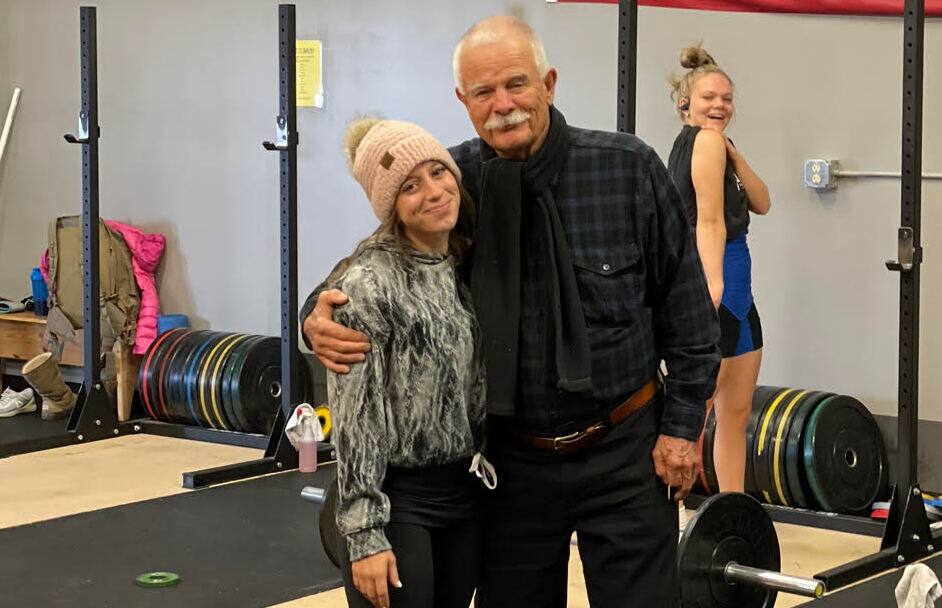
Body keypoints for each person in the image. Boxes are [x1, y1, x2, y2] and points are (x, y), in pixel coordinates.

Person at [302, 17, 721, 607]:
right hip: (509, 467)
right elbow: (364, 273)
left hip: (627, 451)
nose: (503, 106)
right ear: (463, 101)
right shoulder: (451, 181)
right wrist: (311, 322)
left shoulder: (628, 169)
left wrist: (681, 431)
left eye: (516, 84)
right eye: (483, 93)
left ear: (548, 83)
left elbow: (691, 318)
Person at [326, 116, 491, 608]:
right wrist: (364, 534)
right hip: (399, 504)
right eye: (411, 186)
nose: (434, 191)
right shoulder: (366, 285)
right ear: (390, 207)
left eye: (439, 172)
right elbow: (354, 420)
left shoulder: (461, 264)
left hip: (464, 495)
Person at [666, 45, 772, 493]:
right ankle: (666, 514)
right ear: (684, 103)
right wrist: (710, 287)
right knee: (695, 410)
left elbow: (763, 202)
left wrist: (736, 155)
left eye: (726, 98)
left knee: (736, 412)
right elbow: (708, 220)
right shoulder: (703, 142)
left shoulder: (718, 146)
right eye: (709, 97)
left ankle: (732, 510)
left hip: (739, 291)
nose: (719, 106)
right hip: (719, 279)